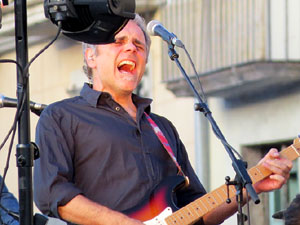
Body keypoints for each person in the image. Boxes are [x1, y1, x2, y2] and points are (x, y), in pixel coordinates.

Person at [33, 14, 293, 225]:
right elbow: (52, 194)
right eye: (118, 41)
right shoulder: (60, 116)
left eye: (138, 45)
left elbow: (197, 211)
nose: (130, 49)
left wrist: (249, 187)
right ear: (91, 56)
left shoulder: (162, 128)